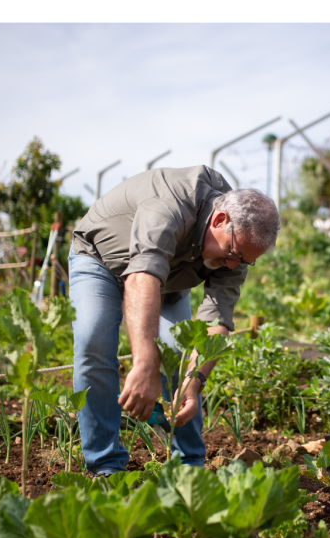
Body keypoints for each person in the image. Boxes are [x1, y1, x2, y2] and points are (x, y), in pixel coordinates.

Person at [67, 165, 279, 474]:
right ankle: (106, 467)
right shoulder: (170, 204)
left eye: (244, 260)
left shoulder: (236, 254)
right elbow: (141, 279)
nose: (233, 264)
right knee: (94, 340)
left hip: (168, 279)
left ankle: (189, 467)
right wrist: (144, 364)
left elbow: (215, 322)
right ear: (219, 220)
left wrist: (193, 385)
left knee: (178, 354)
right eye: (232, 252)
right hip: (101, 259)